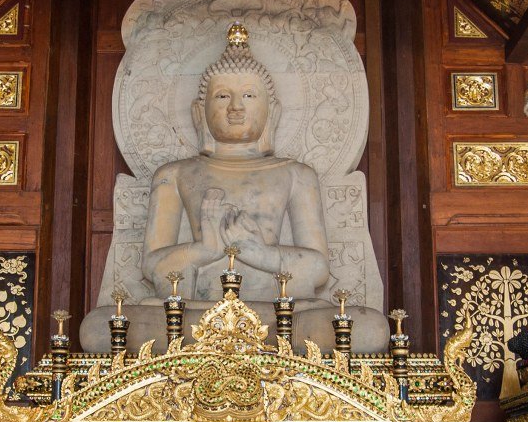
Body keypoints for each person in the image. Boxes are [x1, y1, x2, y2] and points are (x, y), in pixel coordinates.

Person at [79, 23, 388, 352]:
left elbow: (318, 268)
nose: (236, 107)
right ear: (200, 112)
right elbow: (152, 266)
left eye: (249, 96)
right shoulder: (175, 174)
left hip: (280, 316)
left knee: (371, 329)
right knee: (98, 328)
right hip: (190, 317)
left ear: (272, 111)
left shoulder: (296, 175)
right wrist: (205, 249)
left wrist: (262, 254)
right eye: (223, 96)